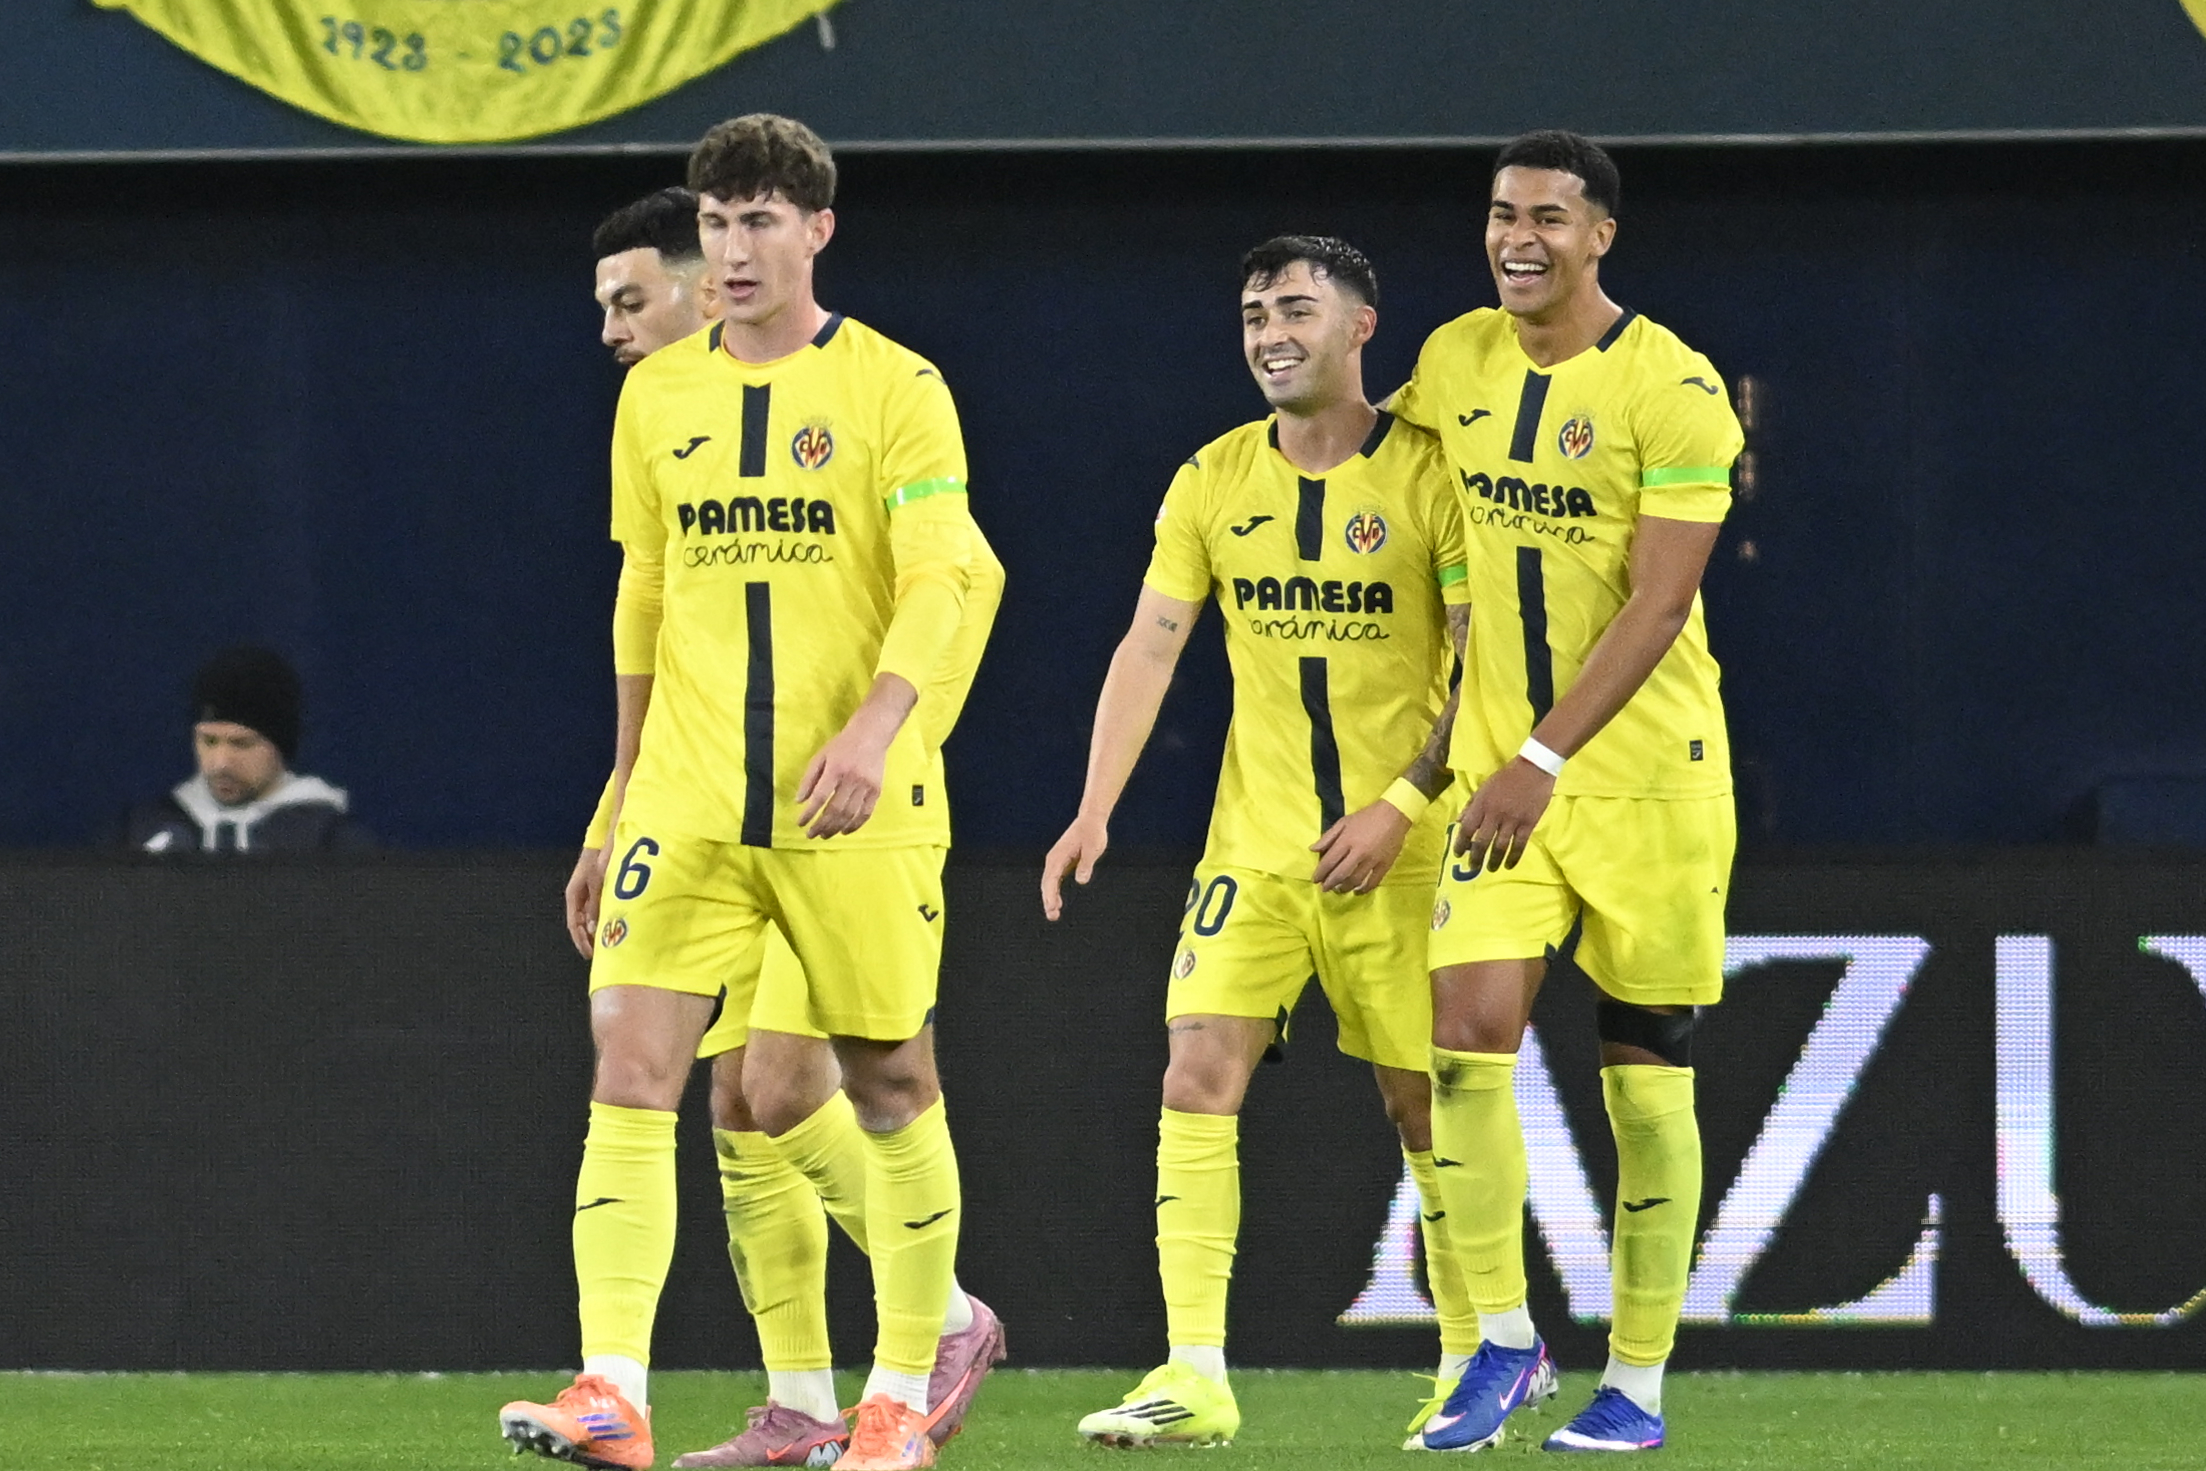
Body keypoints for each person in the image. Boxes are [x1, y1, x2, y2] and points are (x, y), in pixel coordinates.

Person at [501, 116, 1003, 1471]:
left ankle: (900, 1392)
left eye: (761, 221)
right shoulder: (657, 397)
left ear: (816, 231)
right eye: (718, 223)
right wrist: (617, 800)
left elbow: (948, 577)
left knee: (887, 1079)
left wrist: (878, 727)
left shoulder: (898, 385)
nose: (734, 248)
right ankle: (612, 1384)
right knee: (634, 1064)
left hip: (851, 798)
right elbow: (648, 594)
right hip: (691, 797)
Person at [1041, 237, 1480, 1449]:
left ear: (1361, 327)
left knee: (1420, 1104)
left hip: (1406, 845)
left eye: (1295, 308)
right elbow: (1150, 645)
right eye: (1251, 314)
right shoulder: (1212, 477)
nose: (1269, 332)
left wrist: (1401, 799)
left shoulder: (1430, 476)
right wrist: (1094, 807)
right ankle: (1193, 1370)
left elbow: (1484, 662)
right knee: (1194, 1069)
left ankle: (1472, 1356)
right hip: (1255, 847)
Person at [1395, 131, 1742, 1455]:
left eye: (1544, 215)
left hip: (1643, 781)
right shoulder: (1451, 358)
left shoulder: (1675, 389)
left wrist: (1541, 758)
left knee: (1646, 1080)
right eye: (1497, 214)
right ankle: (1496, 1337)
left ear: (1600, 234)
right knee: (1464, 1035)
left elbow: (1659, 603)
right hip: (1498, 783)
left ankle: (1637, 1380)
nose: (1514, 237)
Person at [122, 645, 370, 853]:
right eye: (209, 741)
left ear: (279, 748)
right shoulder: (146, 832)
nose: (221, 763)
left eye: (241, 744)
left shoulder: (329, 841)